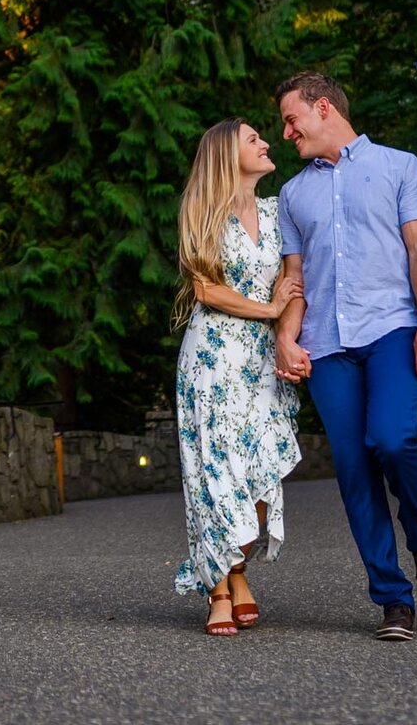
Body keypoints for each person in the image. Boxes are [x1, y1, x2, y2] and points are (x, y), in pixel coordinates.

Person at [272, 71, 417, 641]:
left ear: (322, 107)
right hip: (326, 347)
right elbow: (294, 279)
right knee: (353, 471)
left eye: (290, 119)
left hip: (393, 328)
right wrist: (285, 338)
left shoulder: (401, 167)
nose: (285, 133)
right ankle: (393, 600)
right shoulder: (294, 195)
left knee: (393, 440)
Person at [170, 118, 304, 635]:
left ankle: (237, 569)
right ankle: (221, 588)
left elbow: (295, 280)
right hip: (212, 359)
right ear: (228, 156)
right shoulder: (204, 212)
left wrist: (285, 328)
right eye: (253, 139)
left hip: (260, 363)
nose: (267, 143)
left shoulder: (278, 214)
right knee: (215, 475)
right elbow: (206, 291)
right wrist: (270, 310)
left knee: (259, 472)